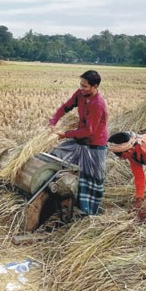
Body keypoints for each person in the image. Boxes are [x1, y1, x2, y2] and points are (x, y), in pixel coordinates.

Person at [47, 70, 109, 215]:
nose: (81, 88)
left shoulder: (97, 104)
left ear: (95, 87)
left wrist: (66, 134)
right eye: (81, 85)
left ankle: (89, 212)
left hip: (95, 145)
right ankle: (60, 198)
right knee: (56, 155)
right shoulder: (80, 94)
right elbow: (66, 107)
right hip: (80, 140)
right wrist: (53, 121)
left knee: (92, 179)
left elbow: (89, 131)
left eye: (85, 86)